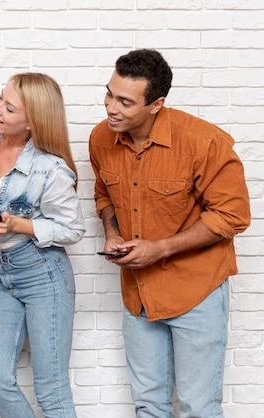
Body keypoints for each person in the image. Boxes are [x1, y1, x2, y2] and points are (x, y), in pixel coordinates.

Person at [89, 49, 251, 418]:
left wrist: (160, 248)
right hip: (138, 294)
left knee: (198, 408)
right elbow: (104, 194)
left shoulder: (203, 142)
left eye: (125, 101)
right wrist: (111, 233)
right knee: (148, 406)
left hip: (196, 291)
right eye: (109, 93)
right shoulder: (101, 138)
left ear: (156, 104)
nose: (111, 107)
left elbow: (233, 215)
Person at [0, 72, 85, 418]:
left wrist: (20, 224)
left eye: (8, 107)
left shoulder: (50, 169)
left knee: (51, 390)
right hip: (1, 273)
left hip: (43, 274)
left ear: (34, 121)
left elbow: (73, 229)